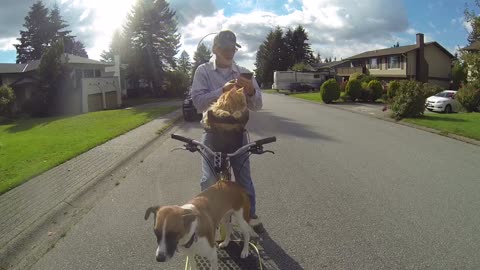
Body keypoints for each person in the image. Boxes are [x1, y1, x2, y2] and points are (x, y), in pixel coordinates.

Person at [191, 30, 264, 233]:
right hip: (212, 133)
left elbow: (258, 105)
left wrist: (250, 91)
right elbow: (197, 102)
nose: (230, 52)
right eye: (225, 48)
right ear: (215, 49)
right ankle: (209, 219)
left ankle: (250, 216)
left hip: (237, 133)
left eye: (233, 48)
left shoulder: (243, 72)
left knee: (244, 178)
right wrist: (221, 91)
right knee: (208, 179)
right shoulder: (203, 71)